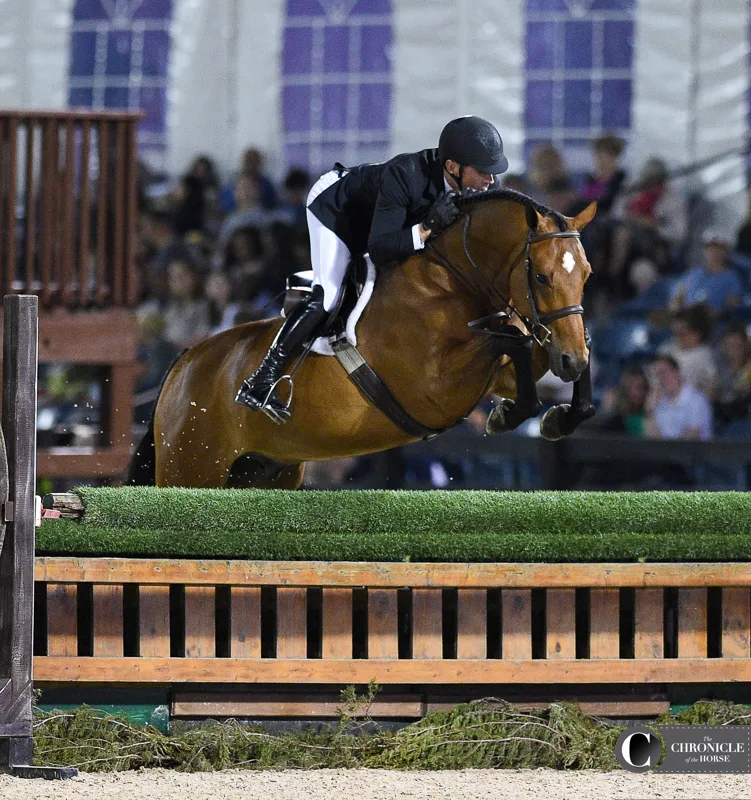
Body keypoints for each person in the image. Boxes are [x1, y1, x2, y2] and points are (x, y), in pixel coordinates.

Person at [235, 115, 509, 422]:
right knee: (328, 296)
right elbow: (380, 250)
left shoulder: (469, 189)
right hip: (336, 209)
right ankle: (261, 379)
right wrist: (426, 228)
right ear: (452, 168)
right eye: (484, 172)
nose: (491, 180)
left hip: (376, 222)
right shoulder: (405, 175)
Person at [670, 229, 742, 315]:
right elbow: (677, 298)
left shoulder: (731, 278)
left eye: (718, 249)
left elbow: (731, 306)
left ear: (726, 252)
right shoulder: (693, 273)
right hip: (688, 321)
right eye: (710, 248)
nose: (713, 252)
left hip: (713, 323)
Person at [645, 354, 712, 441]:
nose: (660, 378)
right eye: (656, 375)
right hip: (665, 452)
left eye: (663, 372)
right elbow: (652, 439)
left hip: (694, 452)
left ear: (677, 372)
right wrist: (650, 411)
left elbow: (691, 438)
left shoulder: (696, 400)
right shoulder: (658, 401)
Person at [658, 305, 717, 399]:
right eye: (678, 332)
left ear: (698, 334)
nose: (680, 336)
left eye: (684, 332)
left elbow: (710, 388)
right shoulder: (667, 349)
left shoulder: (706, 355)